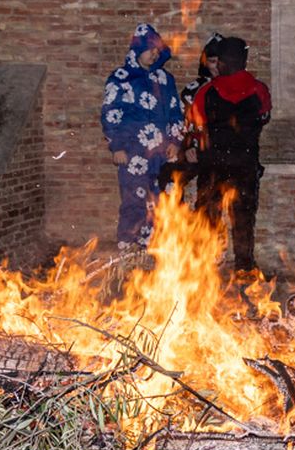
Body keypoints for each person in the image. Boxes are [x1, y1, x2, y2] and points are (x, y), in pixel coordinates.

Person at [191, 36, 271, 275]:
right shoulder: (259, 90)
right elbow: (265, 117)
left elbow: (196, 124)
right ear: (244, 61)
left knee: (208, 216)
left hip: (213, 163)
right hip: (245, 164)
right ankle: (244, 268)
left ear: (222, 63)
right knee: (243, 218)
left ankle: (205, 269)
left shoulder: (206, 92)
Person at [101, 23, 184, 250]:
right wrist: (116, 146)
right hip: (132, 153)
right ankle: (128, 251)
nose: (155, 54)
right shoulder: (120, 78)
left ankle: (156, 253)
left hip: (162, 153)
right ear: (137, 49)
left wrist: (176, 142)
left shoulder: (166, 79)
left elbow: (176, 112)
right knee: (134, 201)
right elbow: (110, 113)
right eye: (150, 49)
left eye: (158, 50)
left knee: (163, 202)